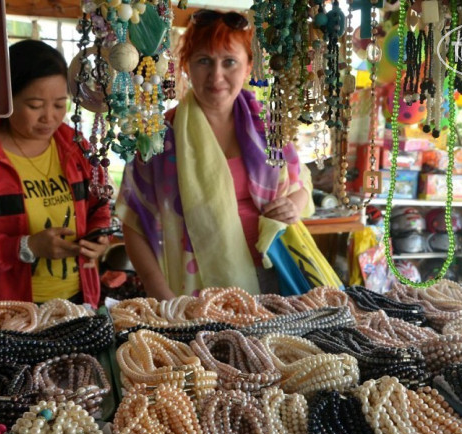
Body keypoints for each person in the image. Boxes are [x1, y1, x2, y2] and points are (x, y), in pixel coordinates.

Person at [117, 10, 314, 300]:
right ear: (186, 65)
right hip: (195, 287)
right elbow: (133, 220)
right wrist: (160, 292)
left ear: (248, 67)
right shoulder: (159, 138)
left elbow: (301, 183)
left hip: (276, 274)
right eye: (204, 61)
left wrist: (294, 204)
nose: (216, 76)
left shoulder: (269, 128)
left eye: (229, 61)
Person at [0, 40, 111, 311]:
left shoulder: (75, 146)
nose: (49, 117)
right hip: (6, 311)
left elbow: (99, 205)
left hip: (78, 301)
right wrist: (24, 247)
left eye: (59, 104)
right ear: (7, 99)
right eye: (35, 105)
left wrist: (99, 237)